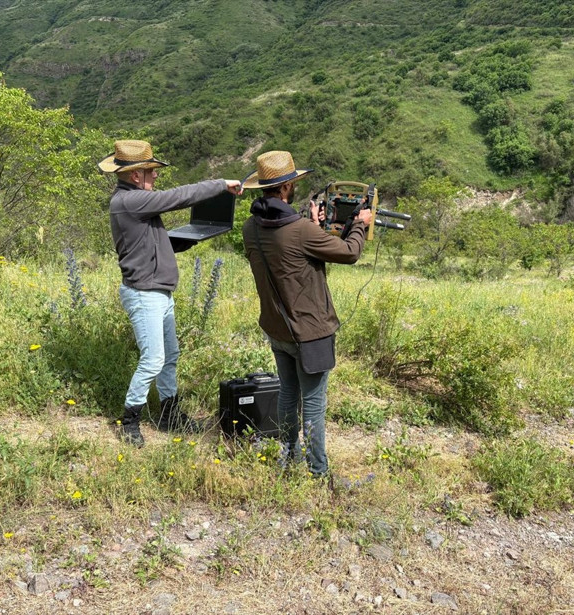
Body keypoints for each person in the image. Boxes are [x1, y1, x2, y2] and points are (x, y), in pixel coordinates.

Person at [99, 139, 242, 447]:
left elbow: (149, 240)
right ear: (136, 175)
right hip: (144, 293)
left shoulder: (133, 201)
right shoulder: (130, 201)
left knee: (169, 356)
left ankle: (169, 414)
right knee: (153, 359)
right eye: (152, 172)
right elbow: (178, 197)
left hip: (157, 292)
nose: (156, 177)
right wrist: (220, 184)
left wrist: (188, 238)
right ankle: (130, 420)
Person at [241, 150, 372, 477]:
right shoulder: (300, 230)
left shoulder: (250, 228)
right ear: (286, 189)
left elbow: (291, 258)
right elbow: (349, 253)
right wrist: (359, 224)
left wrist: (315, 226)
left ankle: (289, 458)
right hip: (310, 333)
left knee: (288, 393)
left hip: (278, 329)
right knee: (313, 404)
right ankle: (317, 472)